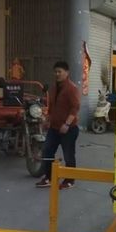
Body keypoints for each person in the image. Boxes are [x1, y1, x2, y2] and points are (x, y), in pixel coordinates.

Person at [36, 61, 80, 189]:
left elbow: (75, 108)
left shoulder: (71, 88)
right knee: (47, 151)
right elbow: (52, 106)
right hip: (54, 128)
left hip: (69, 129)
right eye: (55, 72)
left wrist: (67, 124)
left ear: (67, 73)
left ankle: (70, 180)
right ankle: (49, 177)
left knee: (68, 155)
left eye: (60, 71)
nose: (57, 74)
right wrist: (47, 120)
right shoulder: (54, 88)